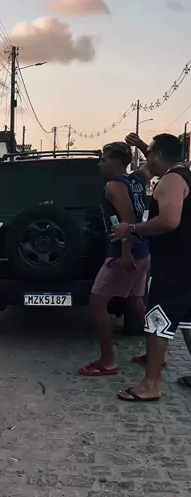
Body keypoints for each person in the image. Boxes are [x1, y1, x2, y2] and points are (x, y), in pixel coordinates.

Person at [112, 132, 191, 401]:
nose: (146, 161)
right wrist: (143, 145)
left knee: (156, 322)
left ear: (158, 156)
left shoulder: (171, 180)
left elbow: (169, 220)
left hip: (174, 266)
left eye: (149, 155)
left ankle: (150, 385)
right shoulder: (185, 174)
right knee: (188, 322)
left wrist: (132, 229)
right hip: (186, 263)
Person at [79, 141, 150, 376]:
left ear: (118, 162)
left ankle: (107, 360)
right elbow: (152, 166)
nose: (100, 164)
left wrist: (125, 254)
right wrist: (141, 145)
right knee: (136, 301)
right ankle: (156, 353)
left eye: (104, 159)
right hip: (143, 250)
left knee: (97, 302)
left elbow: (127, 220)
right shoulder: (136, 179)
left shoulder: (114, 186)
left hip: (124, 253)